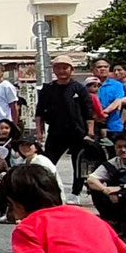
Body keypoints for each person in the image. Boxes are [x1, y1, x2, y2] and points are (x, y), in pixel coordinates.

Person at [34, 57, 96, 196]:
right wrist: (39, 131)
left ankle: (76, 193)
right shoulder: (48, 89)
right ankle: (46, 191)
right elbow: (39, 112)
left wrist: (90, 131)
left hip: (78, 132)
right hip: (56, 131)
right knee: (46, 163)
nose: (61, 71)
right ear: (54, 70)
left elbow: (88, 111)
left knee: (78, 164)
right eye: (58, 67)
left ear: (71, 70)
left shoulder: (79, 88)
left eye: (65, 67)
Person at [84, 132, 126, 236]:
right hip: (115, 195)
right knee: (95, 189)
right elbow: (91, 179)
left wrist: (120, 188)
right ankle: (111, 221)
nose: (123, 150)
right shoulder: (112, 163)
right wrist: (106, 190)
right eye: (119, 147)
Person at [0, 65, 20, 133]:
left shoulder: (7, 86)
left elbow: (14, 106)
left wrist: (14, 125)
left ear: (2, 72)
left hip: (4, 126)